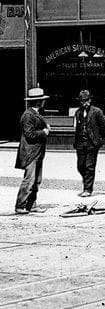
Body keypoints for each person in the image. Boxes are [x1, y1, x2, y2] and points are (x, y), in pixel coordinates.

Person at [15, 86, 51, 215]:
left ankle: (32, 204)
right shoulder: (28, 115)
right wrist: (44, 132)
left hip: (38, 151)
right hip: (30, 153)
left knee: (37, 180)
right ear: (38, 101)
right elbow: (29, 134)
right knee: (29, 179)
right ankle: (20, 205)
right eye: (42, 100)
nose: (43, 102)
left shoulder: (36, 113)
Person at [73, 89, 105, 198]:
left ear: (90, 100)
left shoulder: (96, 111)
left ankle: (88, 189)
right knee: (80, 166)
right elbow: (76, 127)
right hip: (80, 143)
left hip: (92, 143)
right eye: (83, 101)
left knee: (89, 166)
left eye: (87, 100)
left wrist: (98, 139)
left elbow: (104, 127)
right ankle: (87, 182)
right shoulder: (78, 112)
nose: (85, 103)